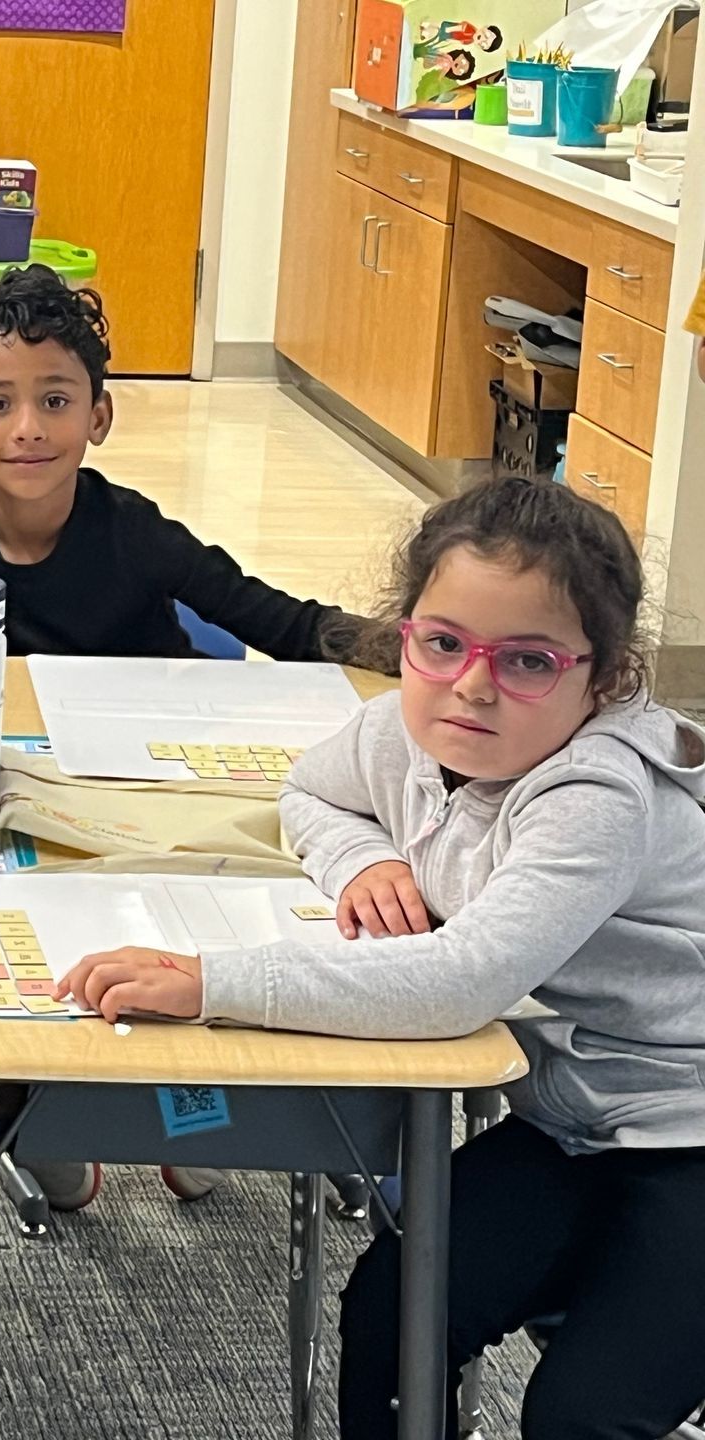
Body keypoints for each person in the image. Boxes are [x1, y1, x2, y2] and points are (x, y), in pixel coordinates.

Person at [60, 478, 705, 1440]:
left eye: (527, 661)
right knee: (396, 1309)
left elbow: (460, 983)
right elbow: (310, 793)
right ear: (406, 634)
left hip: (688, 1135)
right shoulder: (405, 730)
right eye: (442, 644)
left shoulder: (598, 795)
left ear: (603, 678)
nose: (472, 686)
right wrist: (368, 856)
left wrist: (214, 984)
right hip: (574, 1124)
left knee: (582, 1414)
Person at [0, 267, 359, 662]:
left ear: (97, 417)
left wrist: (411, 646)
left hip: (144, 742)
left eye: (55, 402)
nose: (28, 428)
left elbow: (282, 624)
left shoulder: (134, 530)